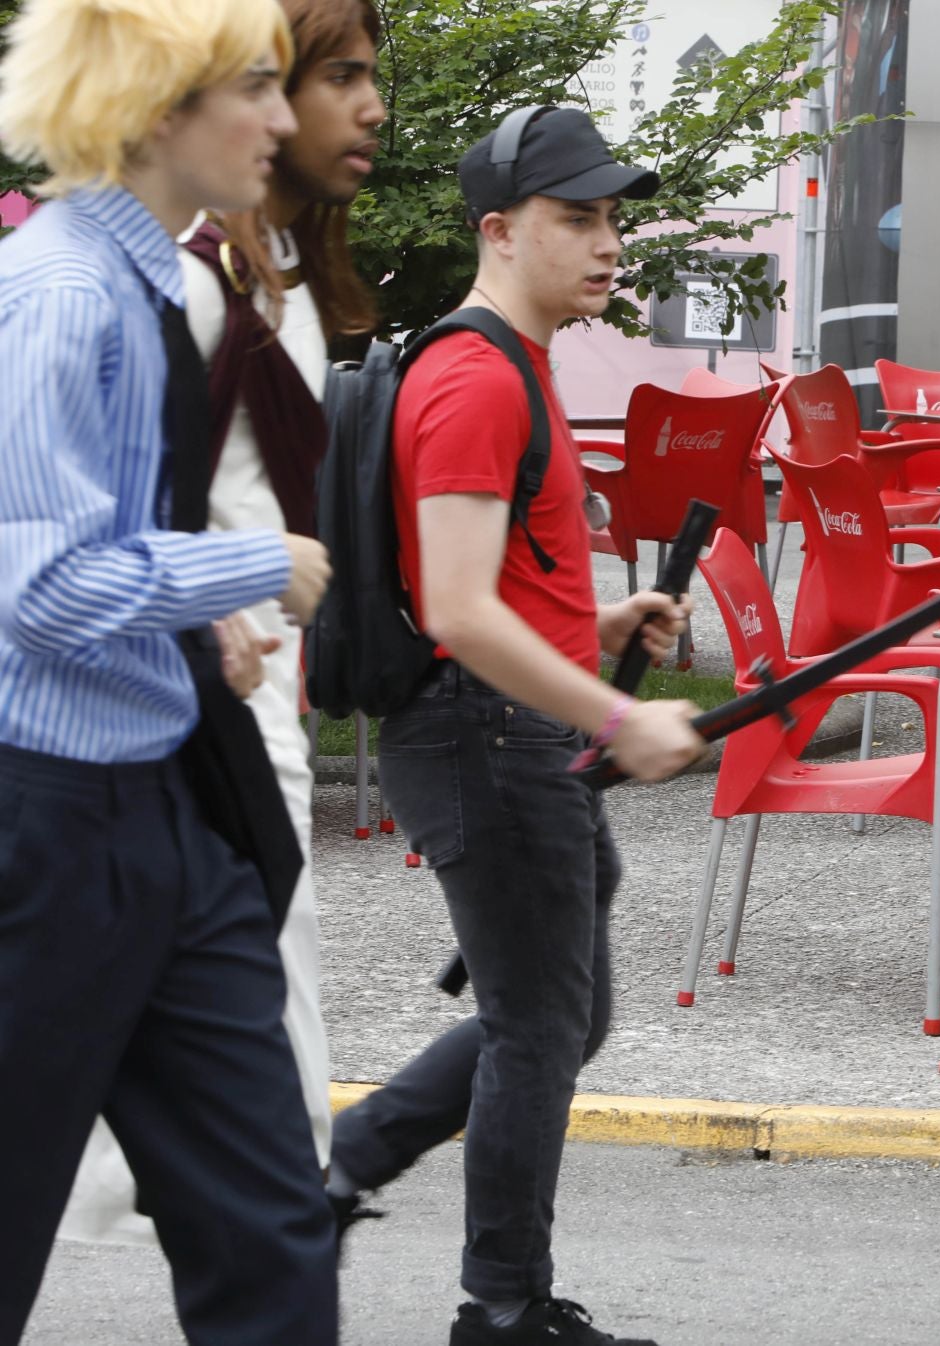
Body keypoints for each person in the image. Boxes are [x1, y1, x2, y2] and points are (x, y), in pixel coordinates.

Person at [324, 106, 705, 1346]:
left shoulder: (507, 361)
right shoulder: (478, 377)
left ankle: (333, 1172)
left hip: (507, 730)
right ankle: (502, 1306)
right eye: (575, 219)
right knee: (541, 1024)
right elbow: (452, 607)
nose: (607, 244)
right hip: (488, 740)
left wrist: (596, 621)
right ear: (499, 228)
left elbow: (493, 587)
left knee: (555, 1013)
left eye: (611, 218)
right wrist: (616, 716)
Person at [0, 1, 339, 1342]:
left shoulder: (146, 283)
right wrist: (248, 570)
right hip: (53, 824)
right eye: (253, 87)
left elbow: (88, 540)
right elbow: (37, 587)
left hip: (159, 804)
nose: (282, 116)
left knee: (269, 1220)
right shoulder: (62, 292)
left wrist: (188, 613)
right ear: (153, 108)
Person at [57, 0, 389, 1250]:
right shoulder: (189, 279)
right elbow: (92, 489)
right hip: (191, 705)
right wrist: (204, 603)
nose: (368, 108)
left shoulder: (276, 274)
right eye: (332, 77)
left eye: (372, 76)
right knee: (231, 1036)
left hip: (249, 699)